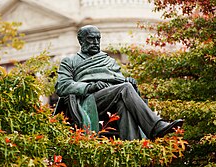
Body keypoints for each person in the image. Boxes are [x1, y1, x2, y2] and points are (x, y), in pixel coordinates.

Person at [55, 25, 183, 140]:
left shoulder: (108, 61)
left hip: (112, 96)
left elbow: (119, 81)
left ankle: (132, 146)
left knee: (124, 99)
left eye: (98, 39)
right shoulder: (70, 61)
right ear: (81, 41)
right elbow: (62, 86)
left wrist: (128, 81)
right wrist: (90, 86)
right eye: (91, 39)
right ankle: (156, 126)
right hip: (88, 99)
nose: (95, 42)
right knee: (125, 89)